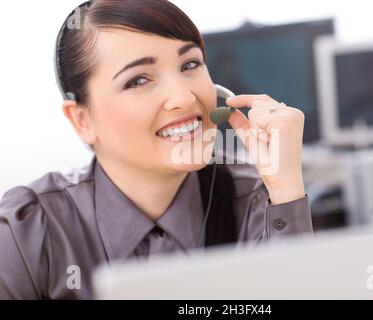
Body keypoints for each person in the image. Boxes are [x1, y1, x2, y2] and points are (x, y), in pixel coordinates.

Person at [0, 0, 312, 299]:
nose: (185, 98)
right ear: (82, 120)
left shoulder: (258, 202)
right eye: (138, 80)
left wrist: (286, 190)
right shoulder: (27, 230)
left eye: (190, 64)